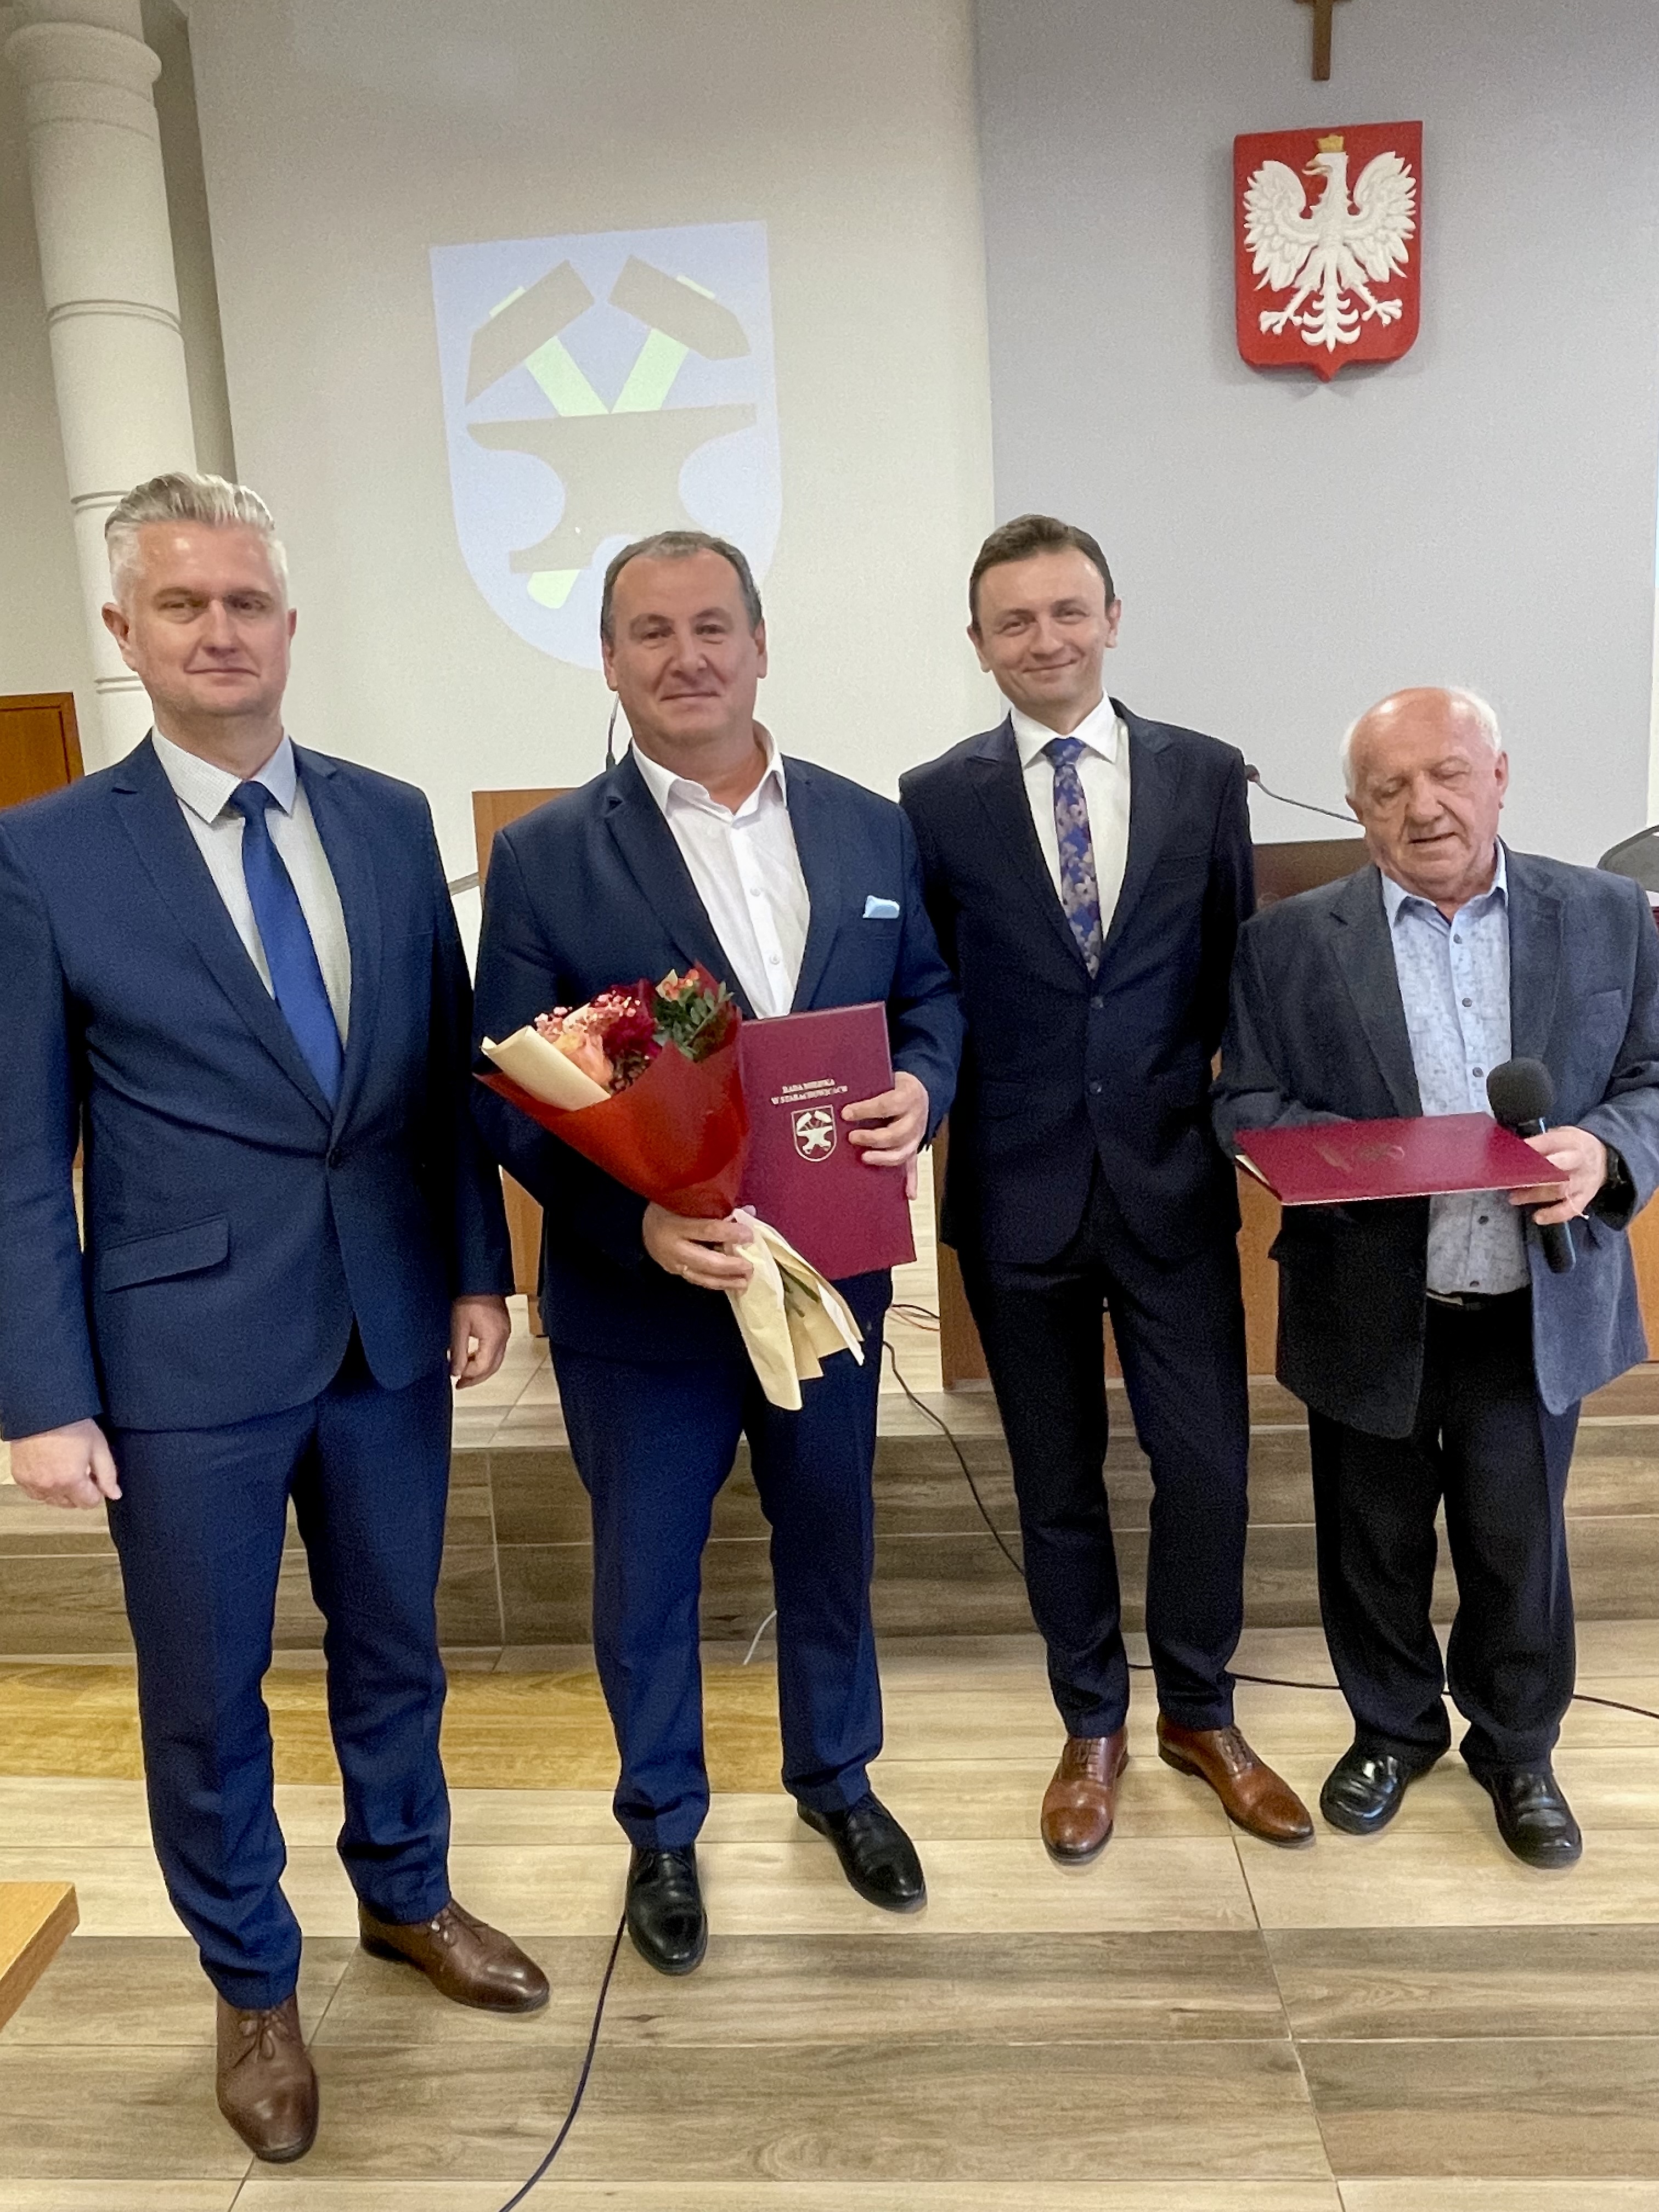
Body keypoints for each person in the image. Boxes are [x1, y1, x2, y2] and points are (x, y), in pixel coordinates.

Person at [0, 473, 547, 2166]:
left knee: (397, 1647)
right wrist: (39, 1394)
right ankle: (252, 1983)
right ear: (125, 629)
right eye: (182, 604)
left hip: (389, 1331)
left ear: (290, 625)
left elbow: (441, 1079)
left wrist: (478, 1267)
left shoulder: (387, 820)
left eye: (245, 601)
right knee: (205, 1690)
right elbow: (17, 1151)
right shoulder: (43, 855)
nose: (219, 630)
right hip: (178, 1360)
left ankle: (407, 1893)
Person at [472, 529, 961, 1975]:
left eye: (710, 627)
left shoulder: (870, 828)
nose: (684, 657)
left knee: (831, 1541)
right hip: (644, 1303)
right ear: (609, 661)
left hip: (830, 1278)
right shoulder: (549, 856)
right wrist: (631, 1217)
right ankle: (662, 1828)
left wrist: (924, 1085)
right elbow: (507, 1084)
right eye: (650, 632)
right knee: (646, 1579)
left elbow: (929, 998)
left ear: (758, 645)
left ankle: (840, 1782)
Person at [899, 514, 1312, 1862]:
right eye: (1014, 621)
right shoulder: (933, 798)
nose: (1046, 639)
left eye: (1068, 611)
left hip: (1171, 1179)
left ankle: (1200, 1710)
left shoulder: (1204, 773)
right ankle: (1091, 1721)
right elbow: (930, 993)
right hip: (1014, 1190)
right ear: (978, 644)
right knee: (1055, 1477)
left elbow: (1234, 966)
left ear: (1113, 619)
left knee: (1207, 1467)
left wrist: (1248, 1124)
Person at [1213, 686, 1659, 1867]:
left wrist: (1608, 1150)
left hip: (1534, 1297)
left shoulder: (1607, 914)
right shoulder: (1286, 944)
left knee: (1519, 1544)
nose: (1425, 807)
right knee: (1373, 1541)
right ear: (1356, 808)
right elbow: (1247, 1103)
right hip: (1370, 1295)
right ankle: (1392, 1731)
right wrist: (1356, 1161)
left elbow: (1653, 1077)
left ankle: (1518, 1751)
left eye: (1450, 774)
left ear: (1499, 776)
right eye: (1391, 788)